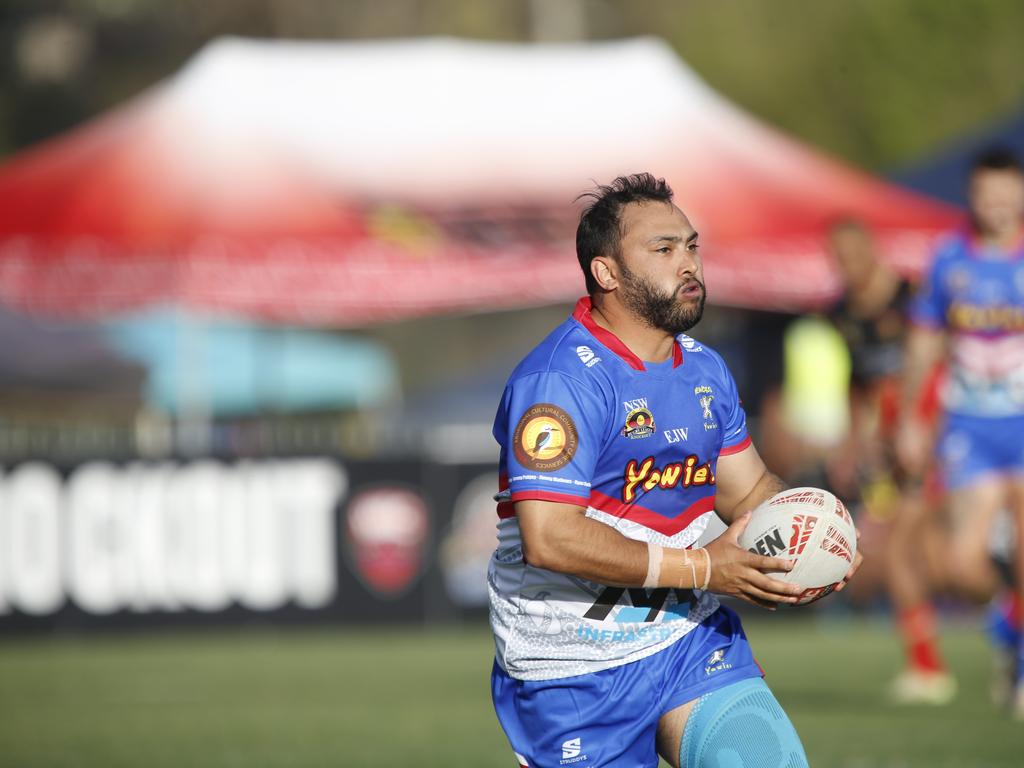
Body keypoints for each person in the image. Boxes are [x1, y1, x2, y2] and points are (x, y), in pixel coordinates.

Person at [488, 173, 860, 767]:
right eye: (663, 250)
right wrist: (705, 567)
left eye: (691, 246)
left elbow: (752, 490)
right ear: (606, 272)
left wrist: (815, 534)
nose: (688, 263)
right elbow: (549, 537)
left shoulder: (706, 369)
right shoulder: (562, 381)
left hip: (688, 636)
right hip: (572, 666)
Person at [898, 147, 1024, 717]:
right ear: (970, 197)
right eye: (984, 195)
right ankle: (1009, 627)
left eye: (1005, 193)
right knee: (960, 566)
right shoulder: (949, 259)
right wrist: (909, 421)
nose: (995, 205)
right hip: (969, 427)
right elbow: (924, 342)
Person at [827, 220, 955, 704]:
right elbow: (856, 385)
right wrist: (853, 442)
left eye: (851, 252)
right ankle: (926, 666)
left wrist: (923, 426)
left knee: (944, 557)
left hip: (937, 440)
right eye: (836, 255)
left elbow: (941, 363)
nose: (845, 264)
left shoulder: (911, 297)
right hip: (891, 452)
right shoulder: (840, 313)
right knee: (899, 551)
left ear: (872, 249)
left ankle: (936, 665)